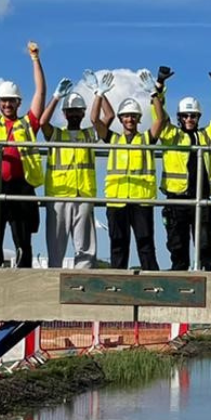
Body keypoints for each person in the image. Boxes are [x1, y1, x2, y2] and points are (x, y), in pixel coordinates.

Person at [0, 38, 46, 268]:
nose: (7, 104)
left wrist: (35, 59)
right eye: (4, 100)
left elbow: (40, 92)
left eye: (12, 101)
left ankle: (23, 274)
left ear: (18, 103)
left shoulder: (28, 123)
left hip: (21, 185)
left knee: (23, 240)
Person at [157, 66, 211, 271]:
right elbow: (158, 114)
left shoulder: (208, 136)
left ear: (198, 117)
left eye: (193, 115)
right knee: (177, 246)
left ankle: (210, 286)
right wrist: (160, 86)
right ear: (179, 117)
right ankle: (178, 285)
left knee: (206, 246)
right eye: (185, 115)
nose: (189, 119)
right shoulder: (171, 135)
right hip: (177, 199)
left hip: (203, 197)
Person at [91, 69, 164, 270]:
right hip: (117, 201)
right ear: (121, 119)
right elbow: (95, 120)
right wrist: (99, 94)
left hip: (142, 201)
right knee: (118, 246)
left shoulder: (146, 139)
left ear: (138, 119)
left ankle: (153, 285)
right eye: (126, 116)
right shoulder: (113, 139)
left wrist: (154, 93)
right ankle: (117, 283)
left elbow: (160, 120)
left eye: (133, 116)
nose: (130, 120)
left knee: (146, 246)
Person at [38, 72, 112, 268]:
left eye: (78, 111)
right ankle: (54, 279)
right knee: (55, 246)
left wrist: (99, 93)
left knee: (85, 247)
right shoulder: (56, 134)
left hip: (83, 195)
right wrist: (56, 97)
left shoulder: (88, 134)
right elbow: (42, 123)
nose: (74, 114)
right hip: (58, 196)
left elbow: (109, 117)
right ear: (64, 114)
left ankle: (84, 280)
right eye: (70, 111)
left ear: (83, 113)